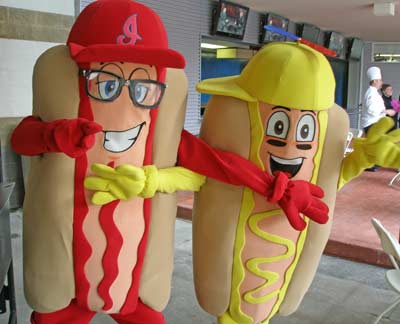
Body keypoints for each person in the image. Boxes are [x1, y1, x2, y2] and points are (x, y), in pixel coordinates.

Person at [361, 66, 396, 171]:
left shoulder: (374, 92)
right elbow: (372, 110)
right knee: (375, 144)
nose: (381, 82)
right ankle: (371, 164)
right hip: (371, 123)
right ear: (375, 81)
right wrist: (386, 111)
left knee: (376, 144)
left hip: (375, 123)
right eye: (380, 80)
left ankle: (374, 163)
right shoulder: (371, 93)